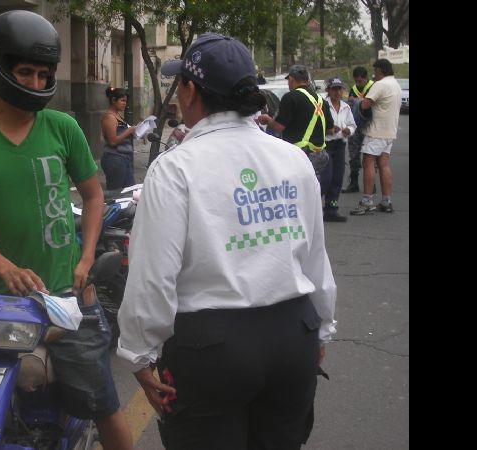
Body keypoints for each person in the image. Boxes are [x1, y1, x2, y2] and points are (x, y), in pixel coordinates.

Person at [116, 32, 337, 450]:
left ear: (191, 90)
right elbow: (314, 258)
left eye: (179, 83)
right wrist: (321, 329)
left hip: (212, 349)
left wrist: (139, 355)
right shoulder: (292, 159)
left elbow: (153, 277)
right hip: (293, 336)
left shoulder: (176, 168)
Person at [0, 10, 132, 450]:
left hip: (69, 301)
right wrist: (6, 268)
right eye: (24, 71)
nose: (33, 81)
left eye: (43, 73)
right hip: (3, 305)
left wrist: (86, 259)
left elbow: (93, 195)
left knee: (104, 405)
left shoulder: (62, 127)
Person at [256, 64, 334, 190]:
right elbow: (330, 129)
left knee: (297, 191)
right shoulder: (321, 100)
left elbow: (279, 127)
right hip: (320, 155)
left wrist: (267, 120)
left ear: (291, 79)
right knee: (314, 190)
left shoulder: (290, 97)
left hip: (300, 154)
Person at [350, 58, 402, 215]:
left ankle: (366, 201)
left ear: (381, 70)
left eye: (375, 71)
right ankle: (386, 201)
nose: (374, 74)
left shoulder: (381, 84)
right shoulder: (396, 84)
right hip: (389, 131)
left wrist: (357, 101)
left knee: (368, 163)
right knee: (384, 165)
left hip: (376, 131)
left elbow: (365, 105)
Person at [322, 77, 356, 222]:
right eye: (334, 89)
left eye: (339, 89)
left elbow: (353, 125)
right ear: (328, 90)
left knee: (337, 178)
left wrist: (348, 130)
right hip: (326, 145)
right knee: (325, 179)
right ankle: (316, 209)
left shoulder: (345, 107)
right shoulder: (323, 105)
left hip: (340, 145)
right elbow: (317, 125)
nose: (337, 92)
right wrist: (328, 130)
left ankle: (331, 209)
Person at [343, 66, 375, 193]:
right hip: (356, 126)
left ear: (366, 78)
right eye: (356, 81)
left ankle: (371, 185)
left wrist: (357, 100)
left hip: (370, 125)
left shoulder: (373, 87)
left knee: (370, 156)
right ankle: (354, 182)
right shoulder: (354, 89)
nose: (358, 83)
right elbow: (349, 104)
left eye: (360, 81)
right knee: (354, 155)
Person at [101, 86, 137, 190]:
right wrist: (129, 131)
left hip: (123, 158)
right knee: (115, 193)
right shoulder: (109, 117)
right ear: (113, 100)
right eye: (122, 100)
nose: (124, 103)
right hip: (114, 158)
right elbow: (112, 141)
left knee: (130, 191)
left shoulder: (117, 115)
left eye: (126, 101)